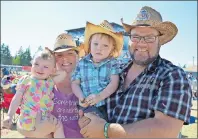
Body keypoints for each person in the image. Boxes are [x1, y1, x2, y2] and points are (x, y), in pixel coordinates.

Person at [78, 6, 192, 138]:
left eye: (149, 37)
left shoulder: (172, 76)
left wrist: (105, 130)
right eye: (136, 36)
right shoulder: (116, 71)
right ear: (130, 39)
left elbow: (165, 131)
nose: (141, 43)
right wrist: (88, 118)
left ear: (159, 41)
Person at [2, 48, 66, 138]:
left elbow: (63, 74)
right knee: (58, 126)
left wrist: (52, 61)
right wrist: (9, 115)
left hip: (44, 120)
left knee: (53, 129)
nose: (40, 68)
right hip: (28, 119)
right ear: (31, 65)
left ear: (53, 70)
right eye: (36, 64)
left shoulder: (50, 81)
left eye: (45, 66)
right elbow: (17, 98)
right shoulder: (27, 80)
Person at [71, 20, 123, 120]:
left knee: (100, 125)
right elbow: (75, 83)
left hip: (105, 104)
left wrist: (100, 96)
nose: (99, 48)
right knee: (87, 121)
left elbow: (114, 83)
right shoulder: (82, 63)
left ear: (112, 49)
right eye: (96, 44)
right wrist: (81, 97)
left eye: (105, 46)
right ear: (90, 44)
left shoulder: (112, 63)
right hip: (86, 104)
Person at [48, 33, 83, 138]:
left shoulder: (87, 85)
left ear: (77, 56)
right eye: (59, 55)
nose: (65, 59)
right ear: (53, 59)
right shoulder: (46, 86)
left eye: (70, 53)